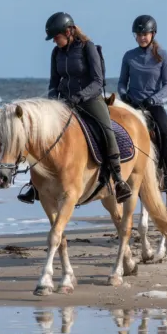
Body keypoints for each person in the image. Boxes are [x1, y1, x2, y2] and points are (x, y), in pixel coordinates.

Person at [18, 12, 132, 205]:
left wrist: (80, 96)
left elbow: (98, 81)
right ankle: (34, 184)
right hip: (64, 102)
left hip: (90, 99)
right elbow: (54, 82)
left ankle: (119, 179)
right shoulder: (56, 53)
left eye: (56, 37)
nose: (55, 41)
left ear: (69, 31)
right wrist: (52, 102)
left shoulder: (88, 48)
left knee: (107, 130)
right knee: (41, 136)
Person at [118, 14, 167, 193]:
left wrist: (154, 99)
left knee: (164, 131)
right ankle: (117, 174)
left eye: (146, 34)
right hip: (133, 104)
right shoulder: (129, 56)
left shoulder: (163, 56)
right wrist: (123, 95)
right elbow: (121, 82)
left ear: (153, 34)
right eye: (139, 34)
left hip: (153, 103)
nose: (142, 37)